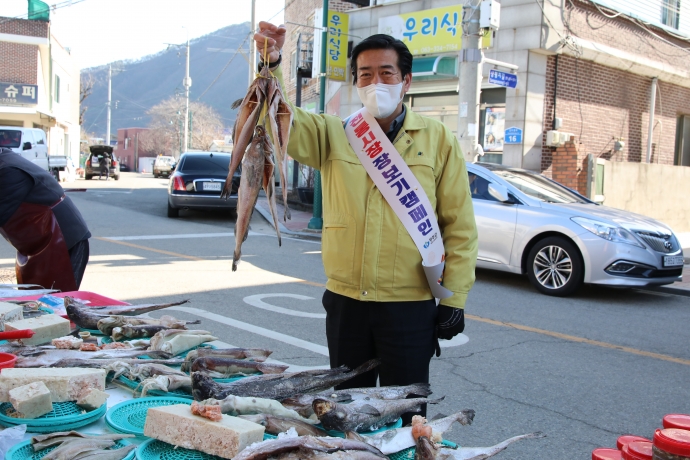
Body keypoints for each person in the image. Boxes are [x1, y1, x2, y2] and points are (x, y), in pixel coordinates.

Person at [254, 23, 478, 422]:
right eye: (366, 75)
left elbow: (458, 226)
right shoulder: (335, 133)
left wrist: (453, 298)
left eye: (387, 73)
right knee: (345, 411)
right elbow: (280, 117)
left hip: (409, 305)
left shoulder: (439, 139)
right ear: (356, 83)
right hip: (347, 303)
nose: (377, 82)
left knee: (406, 412)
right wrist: (270, 63)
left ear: (406, 80)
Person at [0, 147, 91, 291]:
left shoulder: (8, 171)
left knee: (54, 302)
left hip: (63, 240)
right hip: (35, 244)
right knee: (32, 301)